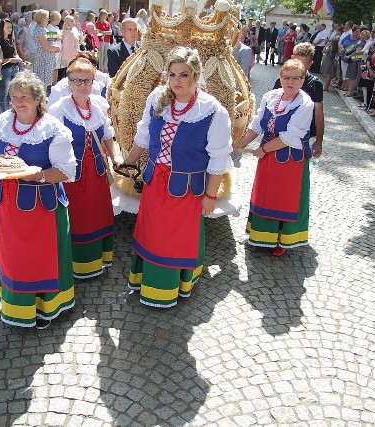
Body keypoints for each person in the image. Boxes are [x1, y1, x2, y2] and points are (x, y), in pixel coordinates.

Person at [121, 47, 233, 308]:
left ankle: (170, 288)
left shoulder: (213, 110)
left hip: (186, 190)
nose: (177, 81)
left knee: (174, 239)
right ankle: (146, 283)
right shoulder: (157, 98)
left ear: (196, 76)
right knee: (151, 234)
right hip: (154, 183)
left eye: (184, 75)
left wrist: (210, 195)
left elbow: (218, 159)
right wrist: (127, 161)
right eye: (172, 74)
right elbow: (144, 138)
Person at [0, 70, 76, 328]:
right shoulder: (3, 122)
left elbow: (68, 171)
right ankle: (17, 307)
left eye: (24, 97)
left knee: (40, 259)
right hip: (9, 205)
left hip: (42, 208)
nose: (18, 102)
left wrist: (38, 176)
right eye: (13, 97)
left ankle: (46, 308)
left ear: (38, 100)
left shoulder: (52, 128)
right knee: (14, 257)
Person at [233, 59, 314, 257]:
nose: (290, 82)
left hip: (290, 161)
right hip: (269, 158)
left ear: (303, 80)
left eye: (296, 78)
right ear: (280, 78)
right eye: (286, 77)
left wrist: (264, 149)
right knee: (264, 194)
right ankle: (262, 236)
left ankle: (282, 239)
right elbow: (258, 124)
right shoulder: (271, 96)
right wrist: (241, 142)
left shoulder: (305, 104)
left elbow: (291, 136)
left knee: (284, 198)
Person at [49, 59, 119, 279]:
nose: (82, 85)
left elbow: (107, 134)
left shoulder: (98, 105)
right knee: (78, 217)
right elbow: (50, 141)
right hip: (72, 176)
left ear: (92, 82)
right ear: (69, 83)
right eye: (77, 80)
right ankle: (77, 263)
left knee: (98, 214)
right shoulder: (60, 109)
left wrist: (115, 157)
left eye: (86, 80)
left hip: (97, 172)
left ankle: (98, 259)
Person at [273, 42, 324, 159]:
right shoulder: (279, 81)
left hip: (302, 137)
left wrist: (319, 141)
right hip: (279, 134)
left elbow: (319, 114)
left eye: (303, 65)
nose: (298, 69)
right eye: (296, 63)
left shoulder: (315, 84)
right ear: (291, 59)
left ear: (310, 64)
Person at [31, 9, 60, 92]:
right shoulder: (40, 30)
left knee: (45, 83)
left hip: (47, 58)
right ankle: (41, 102)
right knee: (42, 82)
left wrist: (55, 47)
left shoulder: (44, 29)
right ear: (42, 18)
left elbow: (54, 39)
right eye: (47, 17)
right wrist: (56, 48)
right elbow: (47, 47)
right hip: (43, 58)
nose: (48, 19)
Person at [0, 18, 22, 113]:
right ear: (2, 28)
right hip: (6, 69)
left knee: (13, 92)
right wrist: (11, 60)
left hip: (15, 68)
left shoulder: (11, 40)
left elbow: (15, 53)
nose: (9, 29)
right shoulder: (0, 41)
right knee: (4, 94)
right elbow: (0, 59)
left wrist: (19, 59)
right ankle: (3, 113)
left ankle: (12, 112)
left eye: (11, 27)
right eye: (7, 27)